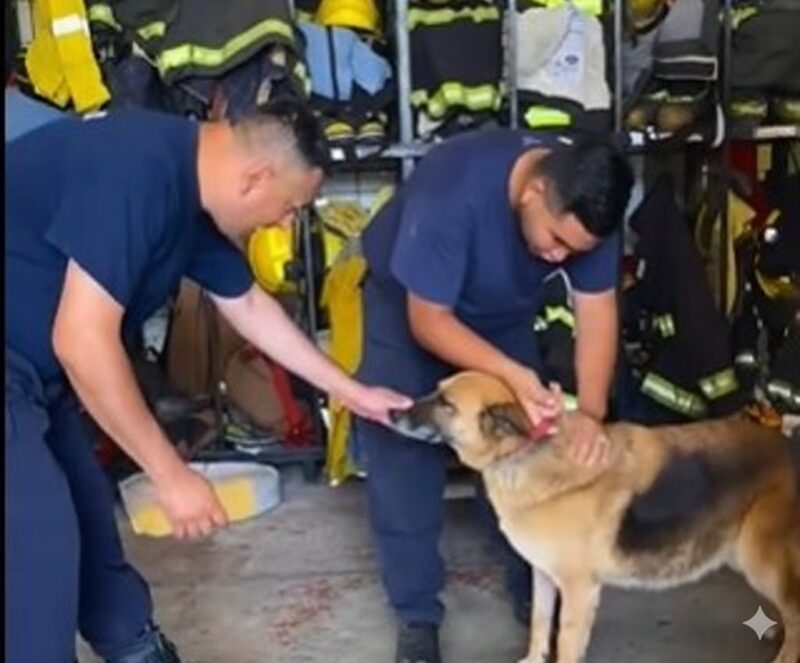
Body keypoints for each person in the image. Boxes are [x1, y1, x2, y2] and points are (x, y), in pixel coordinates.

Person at [4, 99, 411, 663]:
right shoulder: (136, 171)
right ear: (256, 177)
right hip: (15, 373)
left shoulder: (184, 188)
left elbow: (245, 303)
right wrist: (169, 474)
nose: (286, 223)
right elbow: (81, 341)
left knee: (91, 531)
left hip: (33, 382)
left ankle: (137, 650)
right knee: (35, 559)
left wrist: (352, 392)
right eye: (292, 206)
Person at [355, 128, 634, 663]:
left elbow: (597, 312)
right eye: (555, 240)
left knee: (524, 447)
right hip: (409, 307)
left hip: (501, 316)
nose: (559, 257)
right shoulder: (452, 189)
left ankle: (534, 583)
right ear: (533, 192)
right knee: (403, 453)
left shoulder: (590, 210)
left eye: (574, 252)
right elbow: (428, 320)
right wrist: (510, 371)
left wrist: (591, 415)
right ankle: (416, 615)